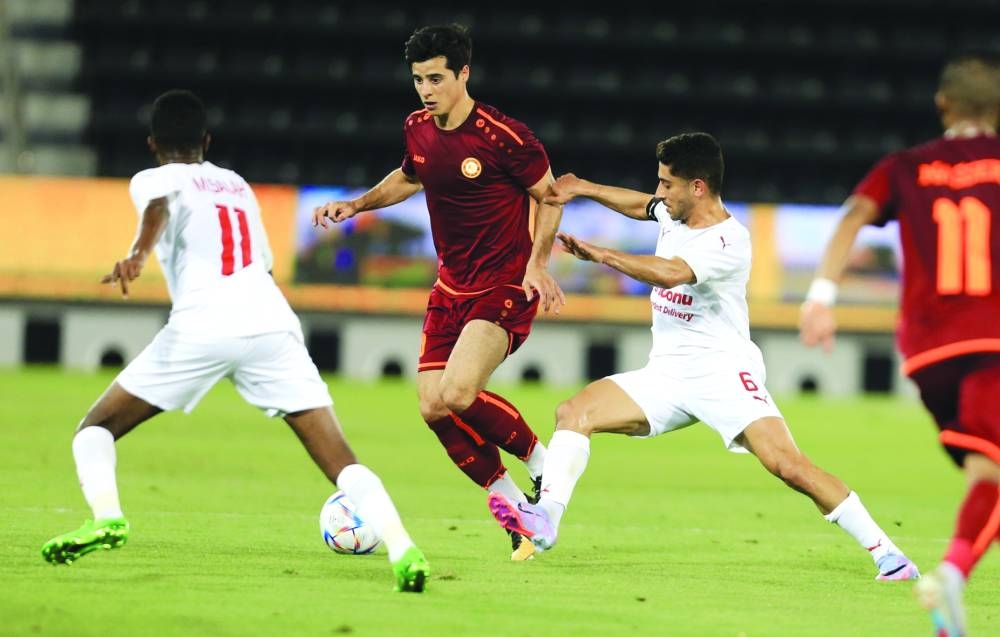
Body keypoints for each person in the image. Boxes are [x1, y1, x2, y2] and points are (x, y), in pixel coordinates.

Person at [39, 89, 430, 593]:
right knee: (341, 460)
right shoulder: (237, 185)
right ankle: (403, 548)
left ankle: (107, 517)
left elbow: (160, 203)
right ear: (206, 140)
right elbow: (263, 263)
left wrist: (138, 253)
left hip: (203, 323)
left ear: (153, 143)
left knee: (94, 429)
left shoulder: (153, 177)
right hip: (271, 322)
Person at [487, 132, 920, 582]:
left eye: (666, 185)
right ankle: (547, 520)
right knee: (574, 412)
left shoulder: (730, 241)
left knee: (788, 466)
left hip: (724, 373)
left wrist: (602, 255)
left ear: (697, 187)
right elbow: (642, 206)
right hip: (668, 374)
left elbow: (672, 273)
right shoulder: (673, 212)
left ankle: (888, 553)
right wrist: (585, 188)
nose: (659, 194)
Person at [313, 24, 565, 561]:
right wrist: (356, 205)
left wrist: (539, 264)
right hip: (449, 288)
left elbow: (551, 196)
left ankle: (544, 465)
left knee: (458, 393)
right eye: (417, 80)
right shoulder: (417, 127)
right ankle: (510, 504)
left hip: (504, 284)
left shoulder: (504, 136)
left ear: (463, 74)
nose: (425, 90)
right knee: (433, 407)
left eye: (435, 78)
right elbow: (409, 175)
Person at [800, 51, 1000, 635]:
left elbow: (853, 215)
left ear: (943, 104)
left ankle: (951, 602)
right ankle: (953, 577)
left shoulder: (907, 165)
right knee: (991, 474)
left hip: (929, 351)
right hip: (992, 339)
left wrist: (821, 296)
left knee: (984, 469)